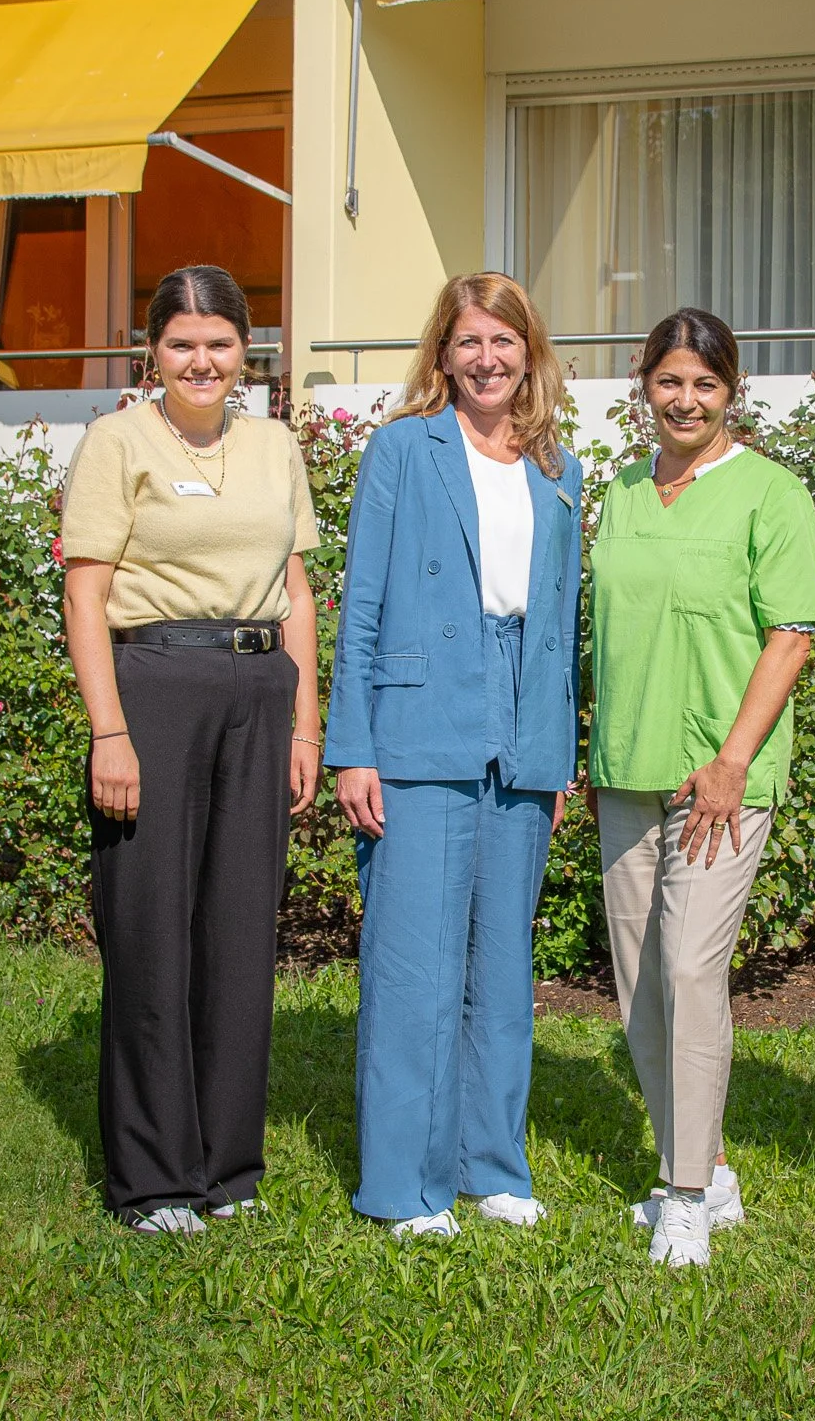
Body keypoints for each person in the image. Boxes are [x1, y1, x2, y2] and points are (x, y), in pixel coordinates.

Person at [61, 264, 322, 1234]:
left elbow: (295, 590)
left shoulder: (274, 445)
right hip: (156, 687)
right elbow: (85, 593)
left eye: (218, 342)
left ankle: (226, 1165)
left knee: (239, 930)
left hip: (258, 690)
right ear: (153, 351)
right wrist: (110, 731)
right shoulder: (117, 441)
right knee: (151, 928)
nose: (201, 360)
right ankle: (155, 1177)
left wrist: (305, 723)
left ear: (246, 350)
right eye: (182, 343)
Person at [325, 273, 582, 1239]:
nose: (487, 359)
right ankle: (405, 1186)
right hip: (420, 719)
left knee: (503, 966)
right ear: (443, 354)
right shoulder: (403, 448)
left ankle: (491, 1166)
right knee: (414, 970)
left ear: (529, 353)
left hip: (522, 730)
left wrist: (554, 754)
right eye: (469, 341)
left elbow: (562, 621)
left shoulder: (558, 466)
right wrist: (354, 747)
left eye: (504, 341)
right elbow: (361, 602)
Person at [589, 308, 815, 1270]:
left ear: (732, 393)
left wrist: (732, 762)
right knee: (641, 987)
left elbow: (791, 637)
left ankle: (683, 1197)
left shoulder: (772, 494)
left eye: (706, 385)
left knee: (690, 972)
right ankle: (708, 1168)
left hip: (721, 776)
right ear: (644, 385)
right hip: (625, 768)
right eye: (669, 382)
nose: (685, 401)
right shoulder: (619, 495)